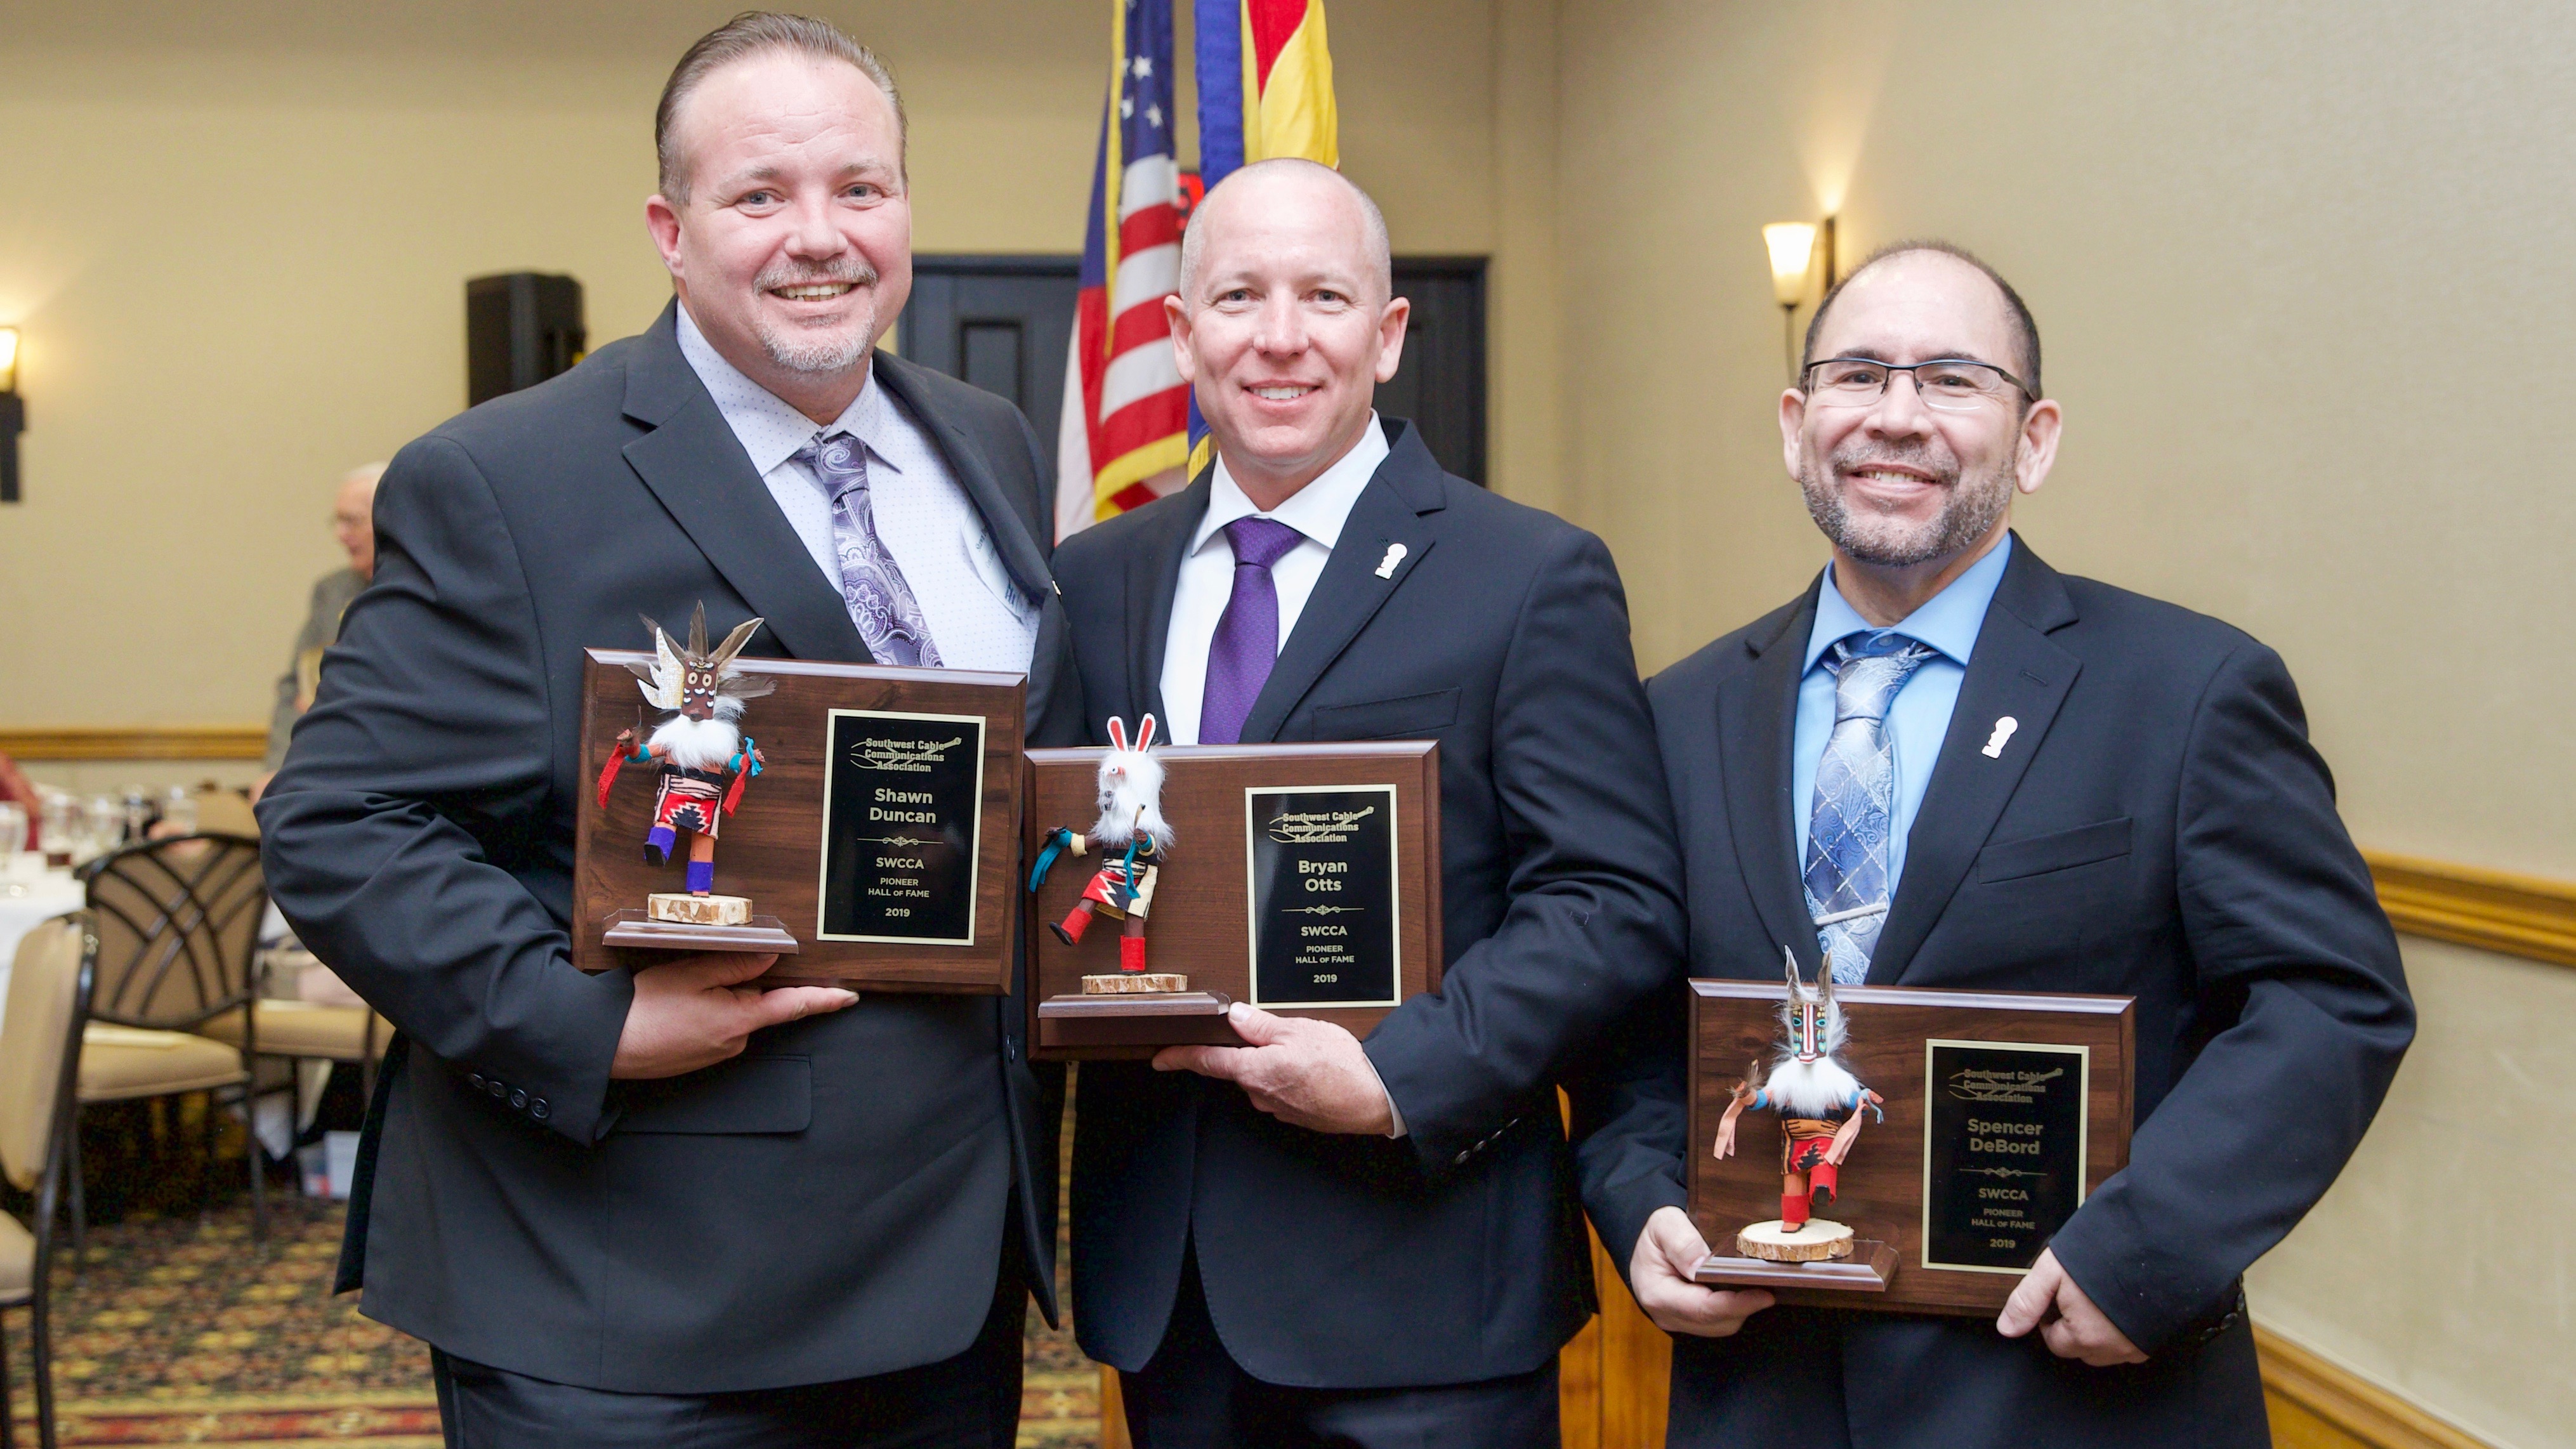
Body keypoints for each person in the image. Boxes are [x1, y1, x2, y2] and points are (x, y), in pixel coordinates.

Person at [257, 14, 1080, 1446]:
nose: (818, 237)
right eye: (759, 195)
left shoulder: (988, 438)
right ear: (671, 226)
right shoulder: (506, 478)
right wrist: (585, 1024)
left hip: (944, 1283)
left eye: (860, 190)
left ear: (905, 210)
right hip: (629, 1297)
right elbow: (338, 825)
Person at [1588, 241, 2416, 1447]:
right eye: (1857, 373)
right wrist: (1641, 1198)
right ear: (1795, 420)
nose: (1897, 415)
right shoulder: (1677, 712)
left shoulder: (2187, 690)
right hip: (1765, 1392)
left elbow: (2331, 999)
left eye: (1953, 379)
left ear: (2035, 438)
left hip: (2073, 1391)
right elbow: (1628, 1028)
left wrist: (2149, 1250)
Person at [1050, 158, 1686, 1448]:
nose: (1278, 337)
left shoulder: (1529, 576)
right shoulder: (1091, 578)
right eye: (1236, 295)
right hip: (1169, 1294)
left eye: (1322, 295)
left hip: (1423, 1283)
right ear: (1179, 334)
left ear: (1385, 334)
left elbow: (1611, 901)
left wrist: (1397, 1073)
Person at [257, 463, 384, 790]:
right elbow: (294, 691)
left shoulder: (429, 592)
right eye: (337, 521)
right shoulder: (331, 593)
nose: (340, 535)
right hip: (320, 770)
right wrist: (278, 770)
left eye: (352, 521)